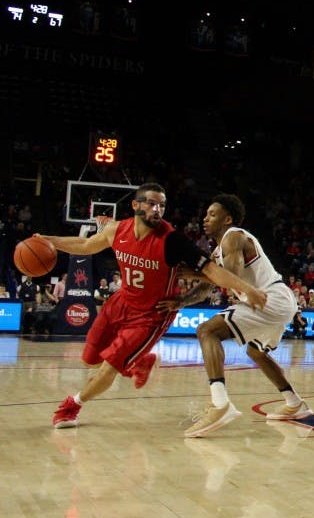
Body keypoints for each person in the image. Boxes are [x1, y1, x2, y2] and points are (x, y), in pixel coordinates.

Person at [40, 182, 267, 429]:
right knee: (89, 360)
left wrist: (248, 288)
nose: (157, 209)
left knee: (110, 367)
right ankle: (140, 361)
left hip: (151, 314)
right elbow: (84, 246)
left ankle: (72, 406)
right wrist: (48, 241)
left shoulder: (173, 240)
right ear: (135, 205)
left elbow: (213, 271)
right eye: (151, 203)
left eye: (162, 205)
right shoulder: (116, 230)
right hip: (120, 303)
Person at [160, 194, 312, 437]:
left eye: (212, 214)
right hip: (277, 300)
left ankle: (220, 405)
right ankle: (295, 403)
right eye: (205, 214)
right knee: (255, 352)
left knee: (207, 331)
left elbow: (231, 275)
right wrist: (181, 302)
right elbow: (208, 286)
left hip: (268, 298)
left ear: (227, 218)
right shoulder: (219, 250)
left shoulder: (234, 236)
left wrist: (192, 272)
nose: (205, 219)